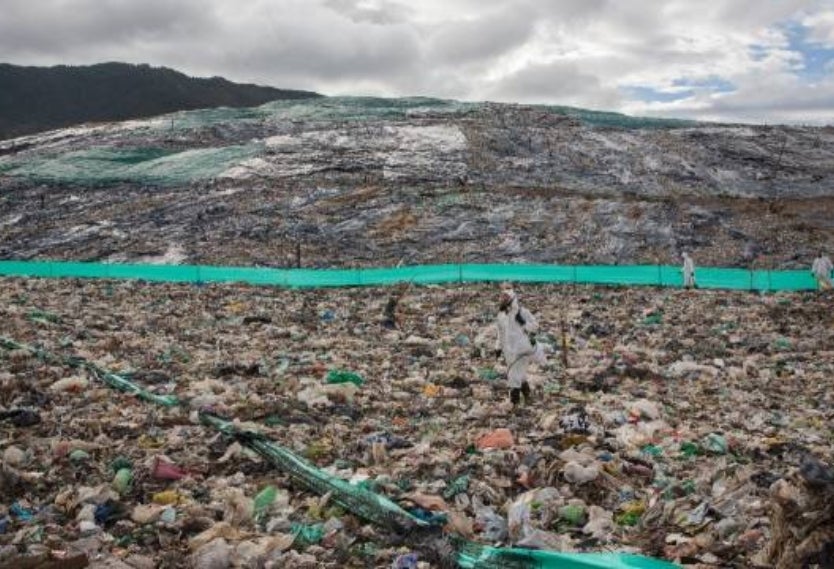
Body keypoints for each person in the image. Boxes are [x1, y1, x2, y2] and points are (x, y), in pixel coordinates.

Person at [494, 288, 540, 406]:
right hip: (508, 351)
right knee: (520, 374)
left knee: (513, 376)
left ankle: (515, 404)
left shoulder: (522, 312)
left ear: (512, 299)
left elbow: (535, 326)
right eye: (502, 297)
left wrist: (523, 323)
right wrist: (498, 347)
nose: (503, 300)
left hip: (522, 348)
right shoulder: (501, 315)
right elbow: (500, 332)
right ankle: (528, 396)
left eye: (506, 297)